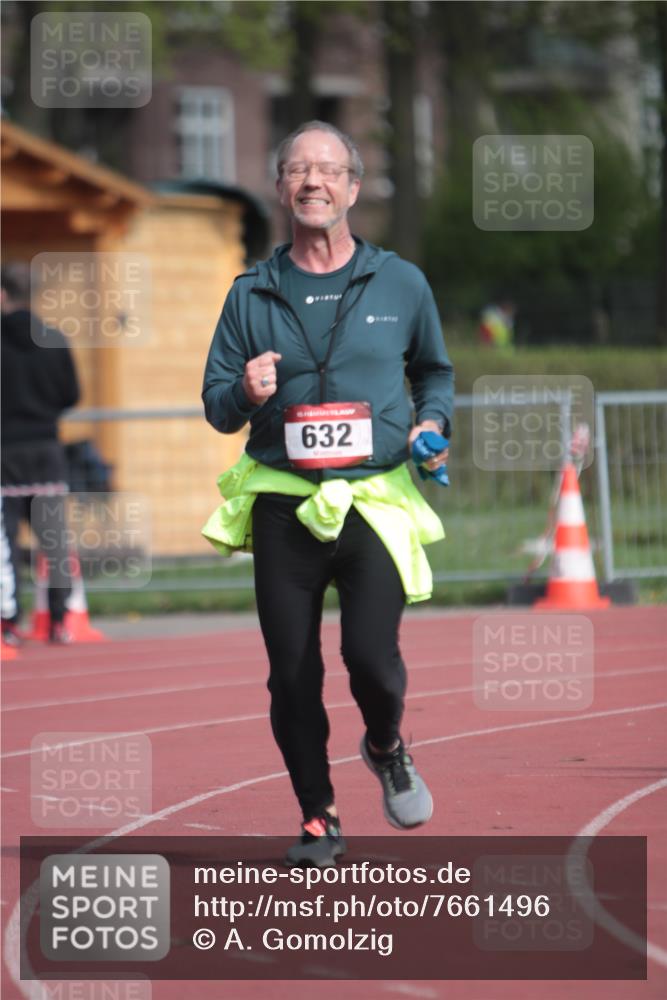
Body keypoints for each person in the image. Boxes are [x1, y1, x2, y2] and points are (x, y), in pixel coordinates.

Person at [202, 121, 454, 866]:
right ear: (280, 186)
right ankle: (319, 816)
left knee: (370, 659)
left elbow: (433, 372)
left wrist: (433, 422)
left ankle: (385, 744)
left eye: (328, 170)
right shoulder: (249, 293)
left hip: (373, 499)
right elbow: (216, 404)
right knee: (291, 672)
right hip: (284, 504)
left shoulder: (401, 282)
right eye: (298, 170)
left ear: (352, 186)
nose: (313, 181)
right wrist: (246, 392)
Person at [1, 262, 80, 645]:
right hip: (47, 449)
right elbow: (71, 394)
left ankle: (9, 622)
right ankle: (60, 621)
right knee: (55, 540)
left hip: (5, 452)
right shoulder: (54, 338)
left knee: (5, 541)